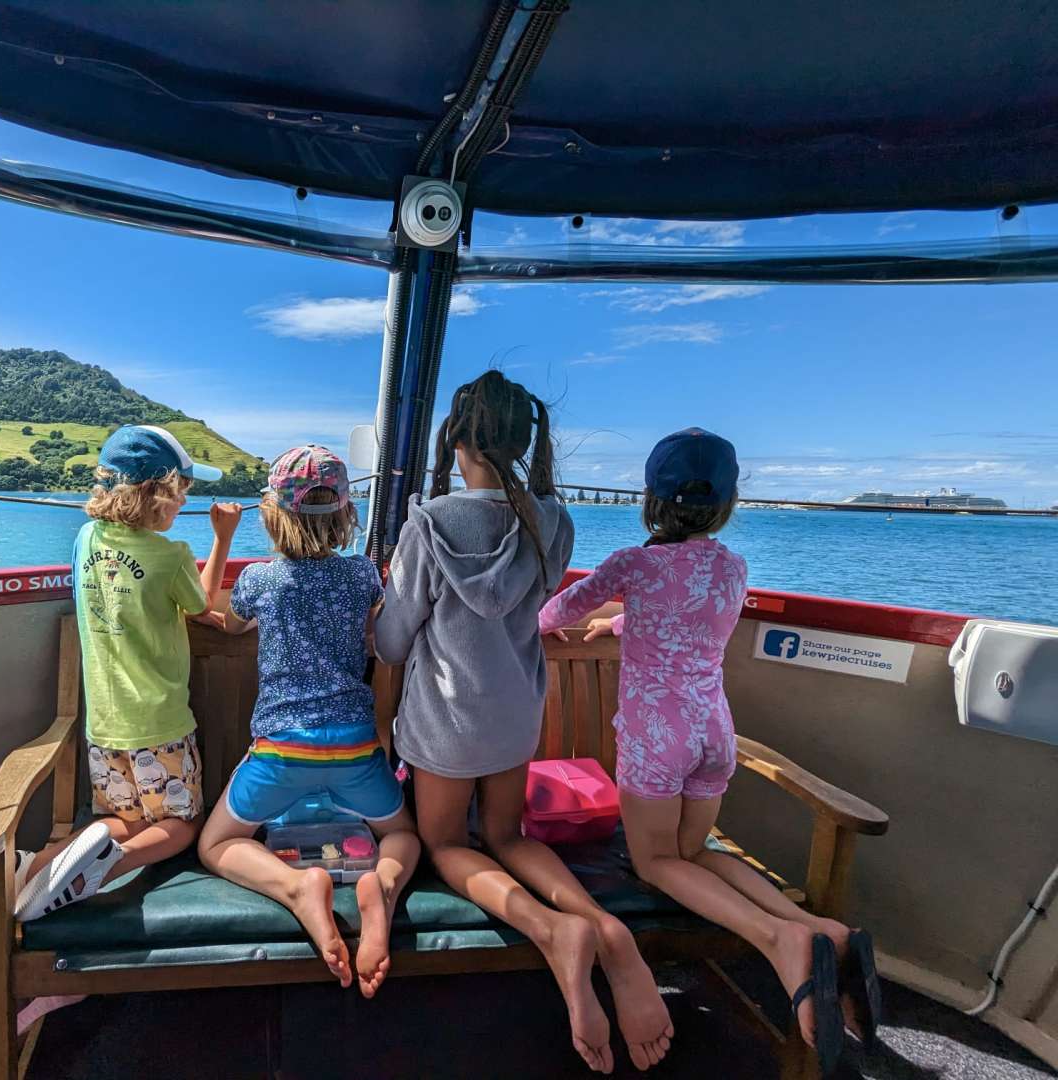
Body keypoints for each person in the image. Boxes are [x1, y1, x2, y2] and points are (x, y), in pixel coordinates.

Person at [539, 428, 878, 1075]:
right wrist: (619, 626)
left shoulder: (632, 566)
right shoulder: (732, 568)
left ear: (650, 499)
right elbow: (682, 617)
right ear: (726, 502)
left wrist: (574, 621)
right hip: (712, 733)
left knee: (658, 862)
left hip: (658, 741)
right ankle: (824, 933)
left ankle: (781, 940)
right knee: (696, 851)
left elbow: (554, 614)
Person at [373, 371, 672, 1074]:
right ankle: (602, 926)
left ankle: (552, 932)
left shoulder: (429, 525)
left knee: (445, 843)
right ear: (521, 440)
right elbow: (539, 606)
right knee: (506, 833)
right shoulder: (554, 522)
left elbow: (392, 641)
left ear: (454, 439)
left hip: (447, 723)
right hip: (515, 715)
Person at [0, 425, 237, 970]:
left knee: (122, 815)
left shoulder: (85, 540)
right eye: (183, 492)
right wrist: (223, 537)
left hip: (103, 730)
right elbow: (200, 606)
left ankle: (21, 880)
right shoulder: (171, 553)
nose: (188, 503)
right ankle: (105, 866)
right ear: (163, 495)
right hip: (161, 725)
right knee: (182, 826)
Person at [198, 445, 420, 999]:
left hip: (281, 750)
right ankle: (383, 888)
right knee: (401, 836)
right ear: (347, 515)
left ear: (272, 515)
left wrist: (222, 539)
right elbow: (376, 624)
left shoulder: (258, 581)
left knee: (216, 844)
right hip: (354, 748)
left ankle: (297, 890)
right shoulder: (362, 575)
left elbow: (228, 625)